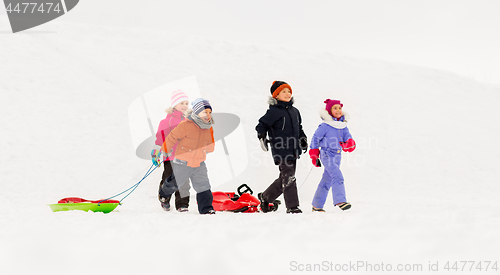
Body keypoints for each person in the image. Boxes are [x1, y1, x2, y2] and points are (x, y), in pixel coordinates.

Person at [255, 81, 307, 214]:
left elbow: (298, 128)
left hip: (293, 149)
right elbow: (262, 124)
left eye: (289, 91)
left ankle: (266, 197)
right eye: (283, 91)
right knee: (289, 177)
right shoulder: (274, 112)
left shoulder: (295, 112)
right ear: (276, 95)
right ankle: (292, 206)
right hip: (281, 149)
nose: (287, 94)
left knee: (285, 177)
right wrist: (262, 137)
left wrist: (303, 139)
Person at [159, 98, 216, 215]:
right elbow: (172, 136)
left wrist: (209, 149)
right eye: (205, 112)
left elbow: (210, 141)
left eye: (210, 112)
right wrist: (166, 149)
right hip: (182, 162)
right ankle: (164, 193)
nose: (208, 115)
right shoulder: (185, 125)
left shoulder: (208, 127)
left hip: (199, 162)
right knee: (176, 183)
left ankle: (206, 209)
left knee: (203, 185)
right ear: (197, 112)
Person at [309, 99, 356, 212]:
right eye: (335, 108)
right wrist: (314, 155)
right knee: (337, 175)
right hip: (326, 154)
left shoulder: (343, 126)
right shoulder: (325, 126)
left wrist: (349, 143)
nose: (338, 110)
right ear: (329, 111)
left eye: (339, 108)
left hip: (337, 155)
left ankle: (317, 205)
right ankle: (340, 201)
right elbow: (315, 139)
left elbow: (348, 138)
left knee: (327, 180)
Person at [155, 89, 191, 212]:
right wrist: (156, 152)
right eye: (182, 103)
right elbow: (159, 139)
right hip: (170, 157)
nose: (185, 106)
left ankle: (182, 204)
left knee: (184, 181)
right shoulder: (166, 121)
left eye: (186, 103)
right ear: (174, 105)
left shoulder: (188, 121)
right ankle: (164, 197)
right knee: (169, 179)